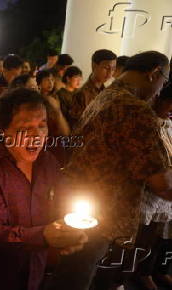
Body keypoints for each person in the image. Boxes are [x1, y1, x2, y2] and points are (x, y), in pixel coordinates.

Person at [47, 51, 172, 290]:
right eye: (163, 81)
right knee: (75, 279)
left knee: (72, 276)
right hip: (100, 212)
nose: (160, 90)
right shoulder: (135, 109)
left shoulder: (107, 95)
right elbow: (161, 183)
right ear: (154, 73)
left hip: (83, 203)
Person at [0, 88, 88, 290]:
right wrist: (44, 236)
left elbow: (61, 204)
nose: (37, 135)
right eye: (25, 128)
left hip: (36, 272)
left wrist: (70, 230)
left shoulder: (48, 162)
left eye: (42, 126)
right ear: (3, 129)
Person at [136, 76, 172, 290]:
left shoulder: (169, 124)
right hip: (148, 189)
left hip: (165, 189)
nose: (171, 108)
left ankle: (145, 272)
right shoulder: (147, 122)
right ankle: (122, 276)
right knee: (138, 236)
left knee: (155, 236)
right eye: (169, 103)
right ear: (158, 99)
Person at [69, 49, 117, 129]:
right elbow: (76, 126)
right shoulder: (82, 94)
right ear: (94, 66)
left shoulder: (106, 92)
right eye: (106, 68)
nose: (110, 73)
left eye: (113, 69)